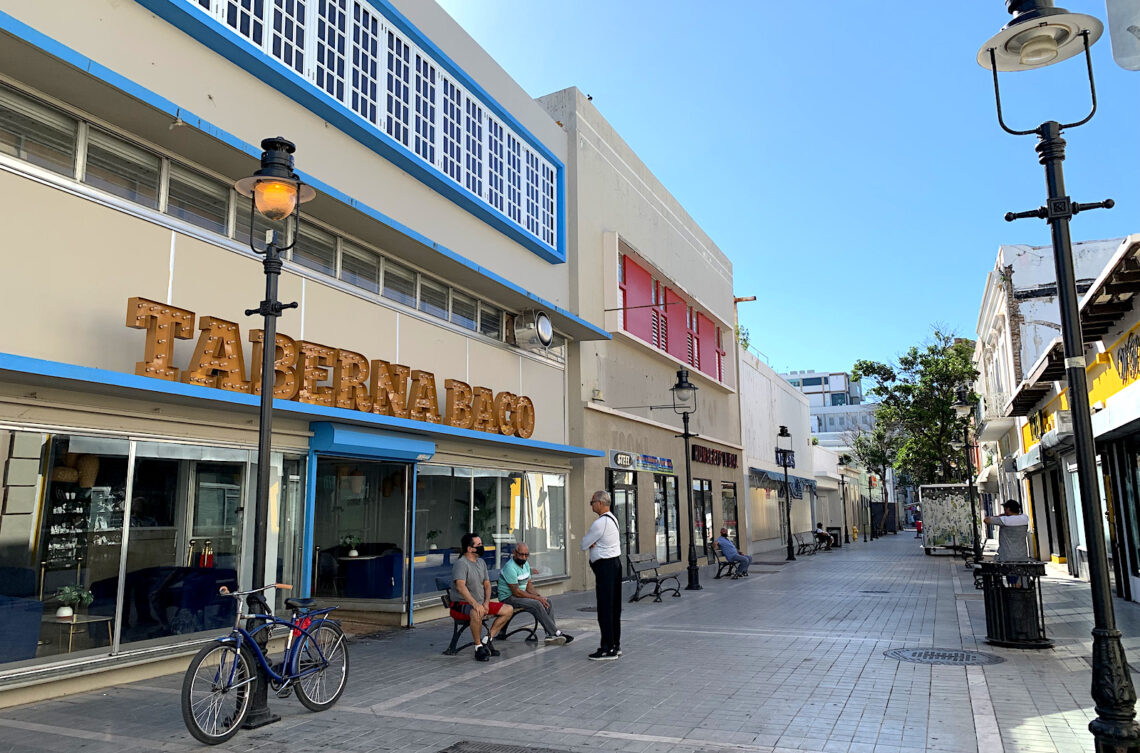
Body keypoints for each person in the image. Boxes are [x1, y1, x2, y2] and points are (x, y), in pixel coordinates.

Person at [452, 532, 514, 662]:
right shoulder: (461, 564)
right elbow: (460, 586)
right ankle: (478, 647)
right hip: (461, 605)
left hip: (481, 603)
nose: (482, 546)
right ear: (470, 549)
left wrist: (486, 602)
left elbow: (487, 584)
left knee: (508, 609)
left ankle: (487, 639)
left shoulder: (481, 562)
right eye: (479, 544)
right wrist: (475, 604)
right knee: (476, 613)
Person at [497, 542, 574, 646]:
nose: (524, 557)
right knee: (536, 604)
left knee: (547, 601)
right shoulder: (510, 567)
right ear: (514, 552)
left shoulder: (525, 564)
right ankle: (556, 632)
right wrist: (537, 599)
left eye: (526, 555)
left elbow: (528, 585)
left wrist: (539, 597)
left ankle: (550, 635)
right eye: (521, 554)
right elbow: (517, 592)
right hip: (508, 598)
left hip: (519, 596)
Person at [581, 490, 621, 661]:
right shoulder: (613, 519)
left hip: (606, 567)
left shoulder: (600, 523)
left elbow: (584, 544)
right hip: (614, 565)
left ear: (600, 503)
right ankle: (615, 645)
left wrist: (592, 545)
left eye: (592, 502)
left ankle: (607, 647)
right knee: (614, 608)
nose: (591, 505)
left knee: (605, 609)